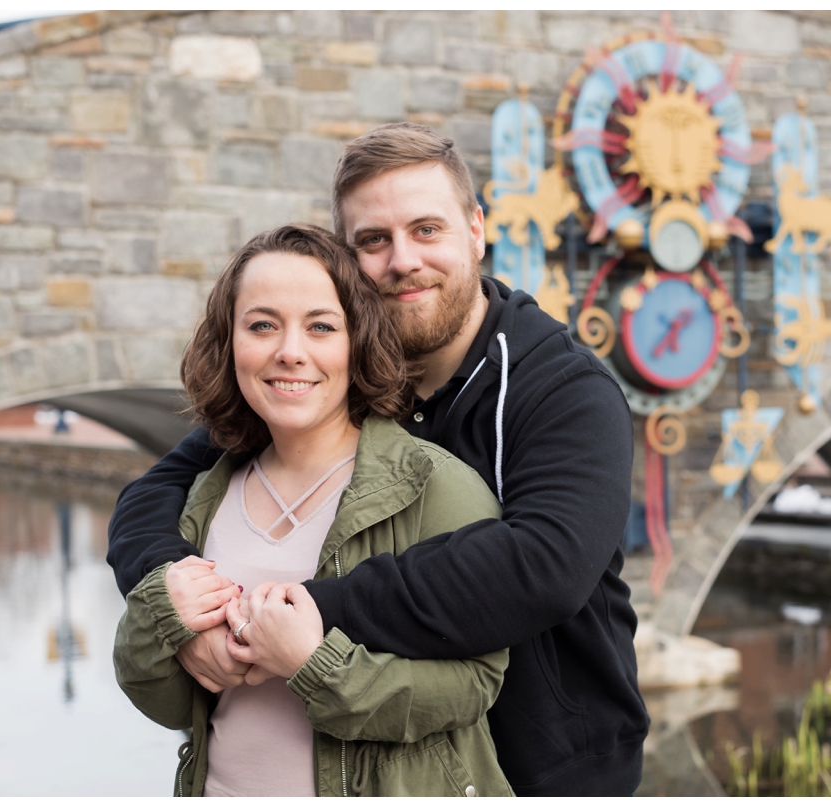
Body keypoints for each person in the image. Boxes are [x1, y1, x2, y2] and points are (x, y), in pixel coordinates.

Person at [108, 123, 649, 796]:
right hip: (382, 764)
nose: (402, 260)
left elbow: (545, 566)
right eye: (373, 240)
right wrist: (180, 604)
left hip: (552, 766)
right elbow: (156, 490)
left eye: (427, 230)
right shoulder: (335, 384)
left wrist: (306, 609)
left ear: (476, 231)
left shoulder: (562, 390)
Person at [113, 224, 512, 797]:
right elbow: (166, 701)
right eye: (261, 326)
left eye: (321, 326)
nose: (290, 352)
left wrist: (314, 665)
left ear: (358, 341)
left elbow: (477, 683)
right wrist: (163, 623)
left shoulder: (436, 487)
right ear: (229, 343)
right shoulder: (203, 495)